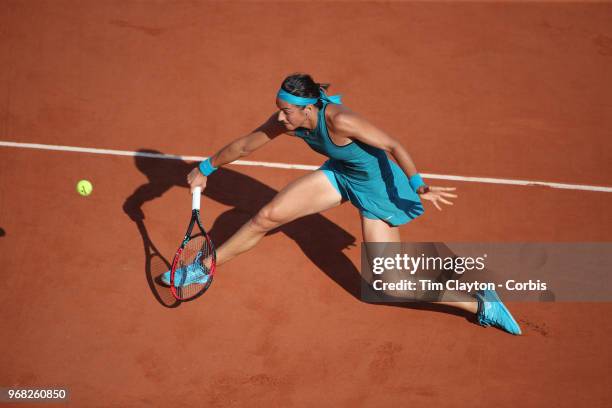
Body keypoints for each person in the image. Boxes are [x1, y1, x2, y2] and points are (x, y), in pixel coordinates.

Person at [167, 73, 521, 335]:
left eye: (287, 112)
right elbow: (246, 145)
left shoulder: (341, 121)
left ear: (308, 110)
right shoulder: (289, 122)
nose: (280, 118)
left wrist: (419, 185)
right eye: (279, 110)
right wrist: (205, 168)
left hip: (379, 191)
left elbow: (393, 145)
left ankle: (480, 302)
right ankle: (203, 267)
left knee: (390, 285)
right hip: (341, 175)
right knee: (267, 216)